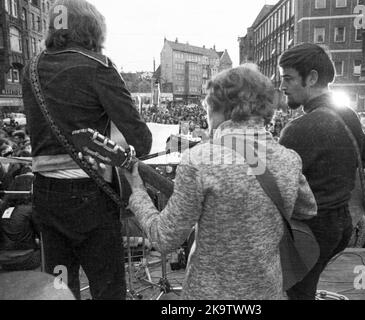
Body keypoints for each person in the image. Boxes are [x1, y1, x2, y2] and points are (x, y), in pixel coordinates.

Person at [123, 64, 317, 300]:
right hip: (268, 291)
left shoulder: (200, 159)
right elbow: (307, 210)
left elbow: (164, 237)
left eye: (207, 106)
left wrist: (137, 191)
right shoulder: (289, 159)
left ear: (219, 109)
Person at [22, 0, 152, 300]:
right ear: (93, 29)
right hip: (90, 197)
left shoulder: (31, 69)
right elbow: (141, 141)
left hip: (45, 196)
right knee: (108, 289)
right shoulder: (97, 67)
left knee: (60, 288)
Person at [278, 43, 365, 300]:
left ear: (311, 77)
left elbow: (276, 185)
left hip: (308, 232)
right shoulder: (347, 114)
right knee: (304, 288)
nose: (282, 86)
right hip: (341, 224)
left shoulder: (299, 128)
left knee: (296, 294)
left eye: (288, 78)